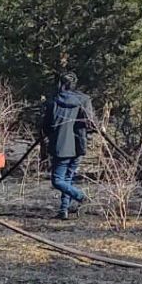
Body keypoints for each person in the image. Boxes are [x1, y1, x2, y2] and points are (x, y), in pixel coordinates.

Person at [42, 72, 95, 220]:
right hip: (79, 146)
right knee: (68, 178)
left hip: (61, 146)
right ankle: (63, 210)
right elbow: (91, 124)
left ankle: (81, 197)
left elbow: (46, 126)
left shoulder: (54, 101)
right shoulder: (84, 100)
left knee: (58, 180)